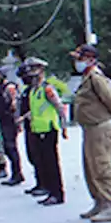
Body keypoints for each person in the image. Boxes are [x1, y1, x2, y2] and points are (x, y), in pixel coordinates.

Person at [71, 44, 111, 222]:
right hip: (89, 127)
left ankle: (109, 204)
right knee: (90, 166)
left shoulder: (96, 77)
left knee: (101, 165)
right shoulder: (86, 77)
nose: (77, 62)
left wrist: (108, 119)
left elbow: (110, 101)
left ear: (90, 59)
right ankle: (98, 201)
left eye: (80, 58)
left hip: (99, 126)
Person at [24, 58, 68, 206]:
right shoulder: (34, 90)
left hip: (49, 130)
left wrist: (64, 127)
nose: (31, 73)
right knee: (42, 162)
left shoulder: (47, 89)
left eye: (34, 69)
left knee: (51, 163)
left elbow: (59, 107)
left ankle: (57, 193)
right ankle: (49, 191)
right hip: (37, 130)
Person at [17, 62, 44, 197]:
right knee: (32, 156)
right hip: (30, 127)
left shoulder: (42, 89)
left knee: (41, 157)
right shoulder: (29, 91)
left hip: (41, 127)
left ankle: (44, 184)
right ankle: (39, 183)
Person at [0, 70, 24, 187]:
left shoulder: (9, 87)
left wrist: (17, 121)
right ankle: (15, 174)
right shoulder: (1, 88)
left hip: (10, 120)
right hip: (4, 120)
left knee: (11, 147)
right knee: (7, 147)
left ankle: (17, 174)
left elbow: (15, 104)